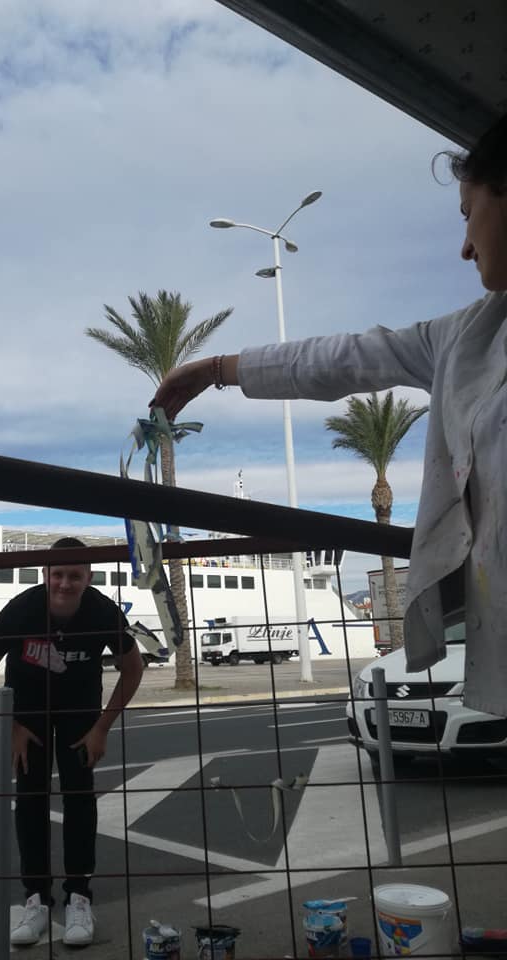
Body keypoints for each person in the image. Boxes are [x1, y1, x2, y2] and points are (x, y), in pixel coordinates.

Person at [154, 113, 507, 718]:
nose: (465, 245)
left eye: (468, 212)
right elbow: (346, 359)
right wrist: (215, 369)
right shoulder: (466, 336)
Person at [0, 537, 143, 948]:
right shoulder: (22, 608)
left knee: (79, 798)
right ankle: (36, 899)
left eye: (74, 576)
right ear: (45, 574)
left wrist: (102, 728)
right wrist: (10, 727)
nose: (65, 583)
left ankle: (79, 897)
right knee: (30, 799)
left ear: (89, 577)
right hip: (28, 717)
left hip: (80, 716)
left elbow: (133, 668)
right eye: (58, 574)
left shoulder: (102, 610)